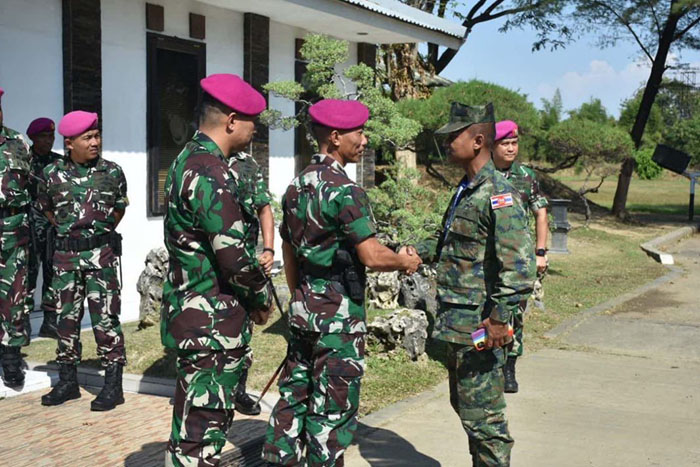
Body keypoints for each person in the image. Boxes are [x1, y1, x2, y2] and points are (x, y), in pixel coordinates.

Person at [261, 99, 422, 467]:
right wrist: (404, 260)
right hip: (339, 318)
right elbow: (371, 255)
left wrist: (299, 298)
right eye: (359, 133)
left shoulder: (295, 187)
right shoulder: (346, 191)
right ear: (335, 137)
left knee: (293, 397)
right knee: (331, 411)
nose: (364, 141)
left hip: (303, 308)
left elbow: (288, 251)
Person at [414, 102, 536, 466]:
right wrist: (410, 253)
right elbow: (451, 244)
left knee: (485, 420)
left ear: (479, 140)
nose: (448, 142)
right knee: (468, 410)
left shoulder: (498, 194)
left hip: (482, 327)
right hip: (457, 325)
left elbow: (519, 266)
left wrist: (500, 319)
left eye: (455, 135)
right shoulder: (465, 189)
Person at [161, 73, 272, 466]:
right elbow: (234, 256)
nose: (254, 129)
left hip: (193, 319)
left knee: (190, 431)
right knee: (202, 440)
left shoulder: (184, 160)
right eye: (251, 121)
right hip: (211, 327)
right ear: (230, 121)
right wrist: (262, 300)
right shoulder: (211, 171)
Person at [39, 110, 128, 411]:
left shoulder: (112, 172)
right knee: (66, 322)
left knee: (105, 320)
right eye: (87, 137)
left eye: (97, 135)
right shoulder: (51, 175)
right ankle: (67, 382)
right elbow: (47, 210)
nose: (95, 142)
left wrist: (96, 234)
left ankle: (113, 385)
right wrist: (69, 234)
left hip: (100, 256)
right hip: (65, 258)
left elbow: (119, 209)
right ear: (69, 143)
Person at [493, 120, 549, 394]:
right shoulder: (484, 175)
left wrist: (540, 252)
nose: (511, 148)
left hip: (519, 262)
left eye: (515, 143)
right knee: (488, 313)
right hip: (488, 262)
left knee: (514, 314)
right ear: (493, 146)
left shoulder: (525, 176)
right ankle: (488, 362)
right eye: (505, 143)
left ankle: (509, 366)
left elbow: (541, 213)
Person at [227, 150, 275, 416]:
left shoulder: (248, 164)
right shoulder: (200, 160)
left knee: (246, 325)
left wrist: (268, 249)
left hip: (245, 262)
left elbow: (264, 209)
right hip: (210, 266)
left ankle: (239, 390)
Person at [0, 86, 32, 387]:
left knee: (14, 296)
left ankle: (10, 354)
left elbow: (33, 185)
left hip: (13, 230)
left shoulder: (17, 142)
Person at [26, 117, 62, 339]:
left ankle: (50, 322)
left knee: (53, 273)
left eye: (51, 136)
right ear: (33, 138)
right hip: (28, 228)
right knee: (27, 276)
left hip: (51, 229)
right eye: (43, 136)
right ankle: (23, 323)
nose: (49, 140)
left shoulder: (59, 164)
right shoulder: (22, 161)